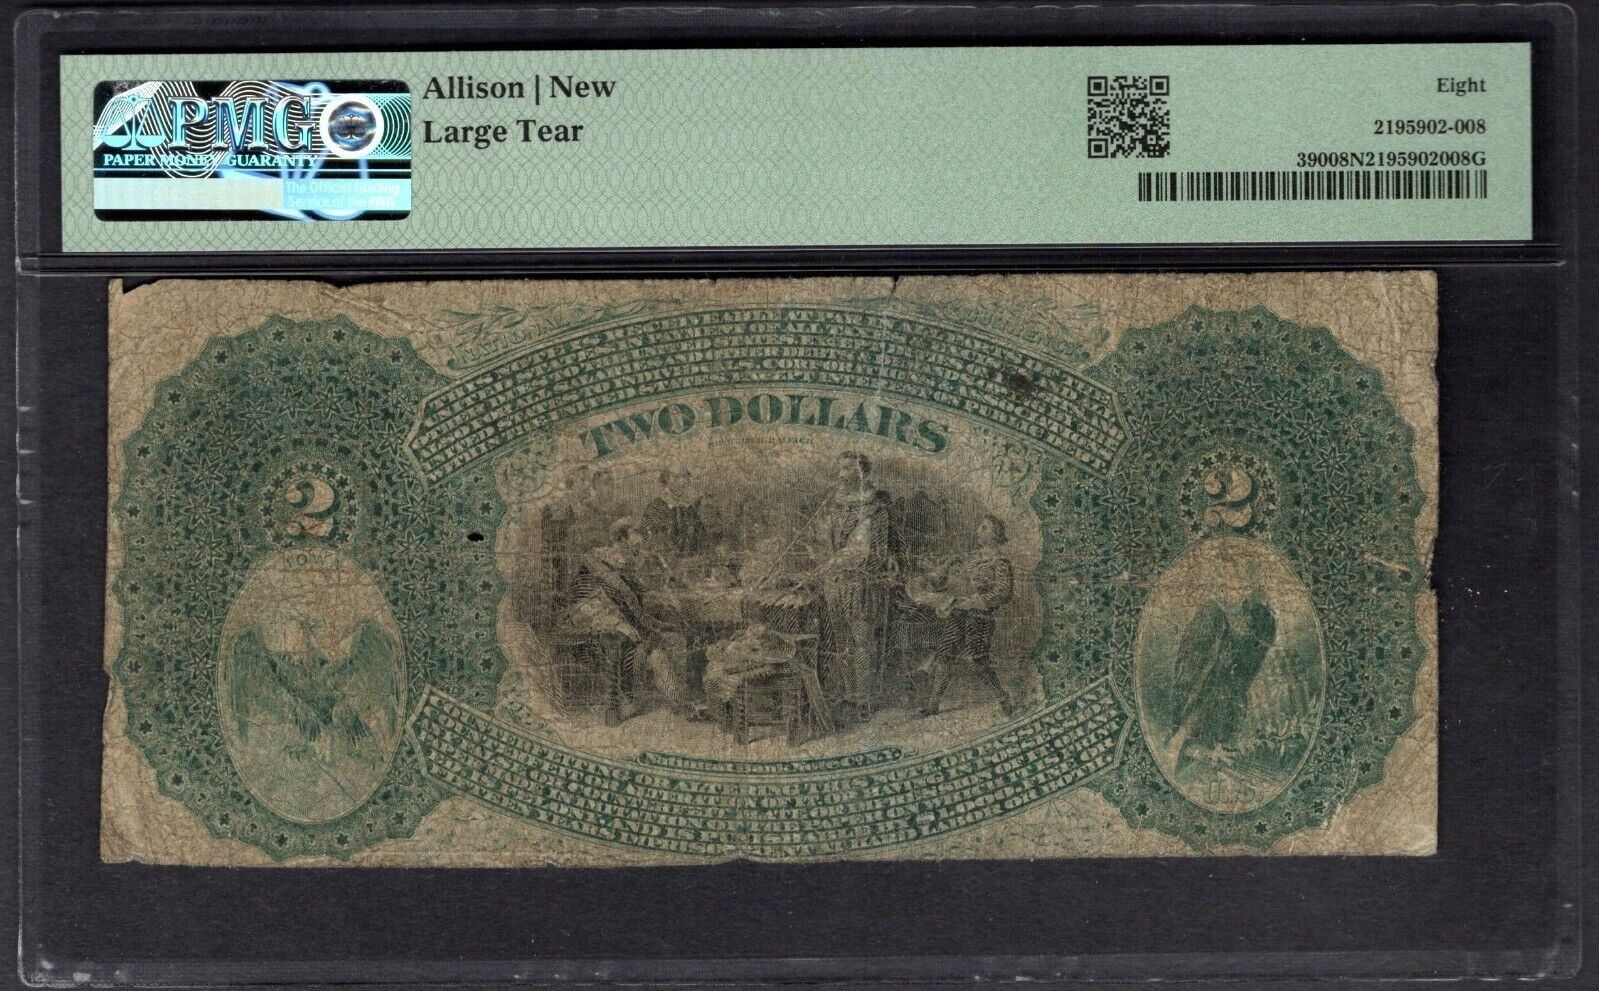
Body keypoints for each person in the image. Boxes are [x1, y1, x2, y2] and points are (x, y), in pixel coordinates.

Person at [811, 452, 900, 722]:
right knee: (841, 641)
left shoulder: (875, 509)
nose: (841, 475)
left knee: (862, 642)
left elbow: (864, 550)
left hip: (860, 583)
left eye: (848, 469)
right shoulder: (833, 506)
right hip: (833, 583)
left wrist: (832, 564)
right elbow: (823, 542)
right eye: (840, 468)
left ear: (861, 473)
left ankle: (864, 698)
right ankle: (849, 693)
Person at [920, 514, 1017, 717]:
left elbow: (1004, 593)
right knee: (945, 653)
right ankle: (933, 704)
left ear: (996, 534)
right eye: (980, 527)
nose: (979, 531)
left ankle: (1002, 698)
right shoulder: (971, 558)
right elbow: (956, 582)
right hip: (958, 613)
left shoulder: (1000, 562)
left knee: (978, 659)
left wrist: (975, 601)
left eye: (985, 528)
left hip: (980, 617)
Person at [642, 468, 709, 557]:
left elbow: (701, 538)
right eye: (681, 477)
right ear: (667, 480)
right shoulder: (655, 508)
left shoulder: (689, 509)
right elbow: (651, 543)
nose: (687, 481)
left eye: (687, 477)